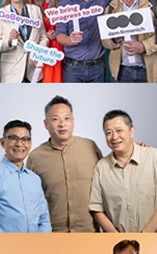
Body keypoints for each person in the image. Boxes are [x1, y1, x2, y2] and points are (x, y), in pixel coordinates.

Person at [56, 0, 157, 83]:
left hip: (98, 66)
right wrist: (69, 40)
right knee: (74, 100)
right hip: (73, 68)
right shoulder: (63, 5)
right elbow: (60, 35)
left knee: (99, 101)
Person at [26, 95, 103, 232]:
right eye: (55, 119)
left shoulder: (90, 147)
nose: (62, 124)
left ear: (73, 121)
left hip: (89, 232)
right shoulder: (35, 157)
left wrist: (134, 149)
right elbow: (30, 201)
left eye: (66, 118)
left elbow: (109, 175)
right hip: (52, 234)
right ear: (46, 124)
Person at [90, 110, 157, 232]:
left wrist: (145, 235)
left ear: (131, 131)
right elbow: (97, 209)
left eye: (119, 130)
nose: (114, 137)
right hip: (119, 245)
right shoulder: (101, 168)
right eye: (108, 133)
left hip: (156, 242)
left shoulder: (156, 158)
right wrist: (117, 238)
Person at [0, 120, 51, 232]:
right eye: (13, 138)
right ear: (2, 142)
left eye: (25, 139)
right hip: (4, 248)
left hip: (36, 247)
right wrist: (10, 248)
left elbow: (44, 219)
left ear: (30, 144)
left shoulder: (35, 179)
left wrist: (38, 244)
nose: (19, 144)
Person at [0, 0, 48, 83]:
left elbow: (43, 36)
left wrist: (39, 54)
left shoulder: (35, 10)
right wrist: (9, 40)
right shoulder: (0, 14)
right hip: (12, 72)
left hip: (34, 69)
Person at [31, 0, 64, 83]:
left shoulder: (64, 2)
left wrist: (59, 33)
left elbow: (70, 28)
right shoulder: (32, 3)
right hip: (39, 49)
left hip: (57, 49)